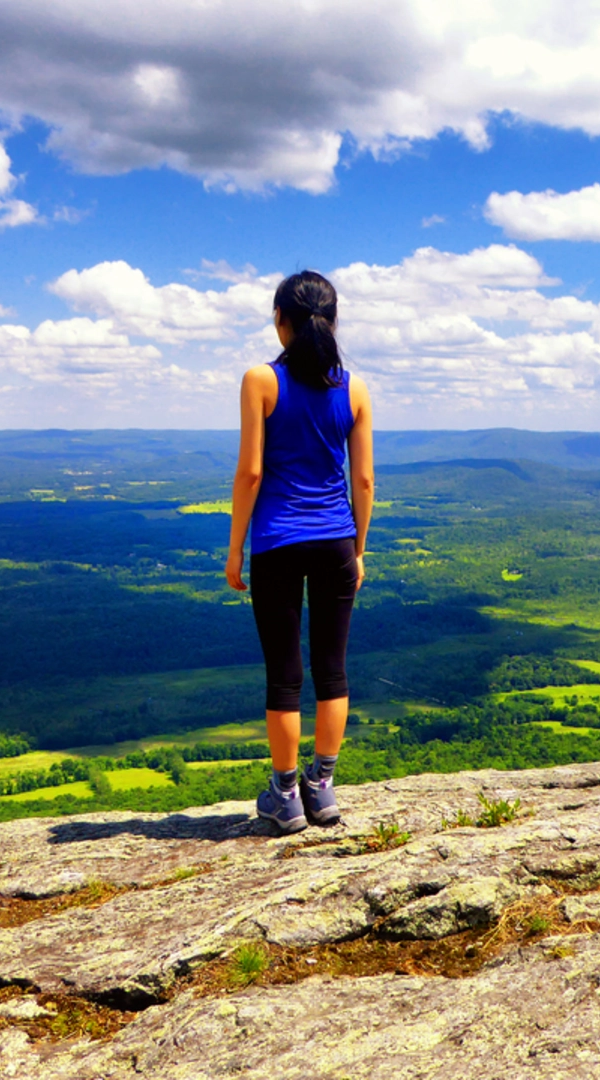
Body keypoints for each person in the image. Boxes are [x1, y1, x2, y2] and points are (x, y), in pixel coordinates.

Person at [225, 270, 374, 834]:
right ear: (332, 323)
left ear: (279, 320)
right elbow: (363, 481)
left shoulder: (260, 380)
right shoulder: (353, 388)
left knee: (284, 676)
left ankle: (286, 796)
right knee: (332, 670)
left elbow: (251, 472)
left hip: (278, 543)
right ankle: (324, 786)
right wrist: (358, 548)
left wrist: (236, 548)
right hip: (336, 539)